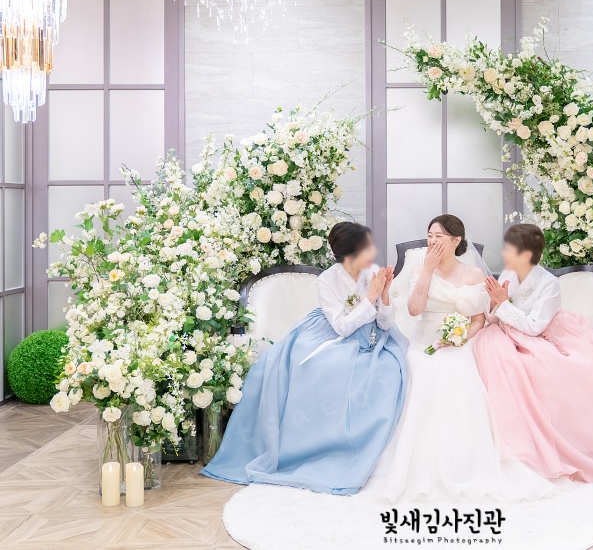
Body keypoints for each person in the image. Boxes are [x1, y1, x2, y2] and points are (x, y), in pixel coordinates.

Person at [201, 222, 407, 494]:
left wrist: (384, 295)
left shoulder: (372, 273)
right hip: (332, 335)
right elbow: (342, 327)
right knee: (324, 367)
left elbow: (385, 323)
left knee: (389, 371)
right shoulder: (327, 280)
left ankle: (370, 453)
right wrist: (370, 297)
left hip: (371, 338)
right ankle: (322, 450)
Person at [363, 214, 554, 502]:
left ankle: (463, 462)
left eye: (439, 236)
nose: (432, 241)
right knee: (420, 366)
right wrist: (427, 270)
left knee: (458, 370)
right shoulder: (420, 269)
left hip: (461, 338)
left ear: (456, 240)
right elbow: (414, 310)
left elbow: (479, 320)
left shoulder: (474, 274)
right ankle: (414, 464)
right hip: (425, 337)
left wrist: (461, 337)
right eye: (430, 236)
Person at [473, 224, 593, 485]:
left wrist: (503, 302)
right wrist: (494, 302)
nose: (505, 253)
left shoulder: (549, 284)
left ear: (526, 255)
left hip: (547, 335)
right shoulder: (508, 274)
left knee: (544, 367)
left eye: (510, 249)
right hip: (512, 332)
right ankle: (503, 443)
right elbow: (494, 317)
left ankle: (547, 447)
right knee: (491, 346)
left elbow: (535, 327)